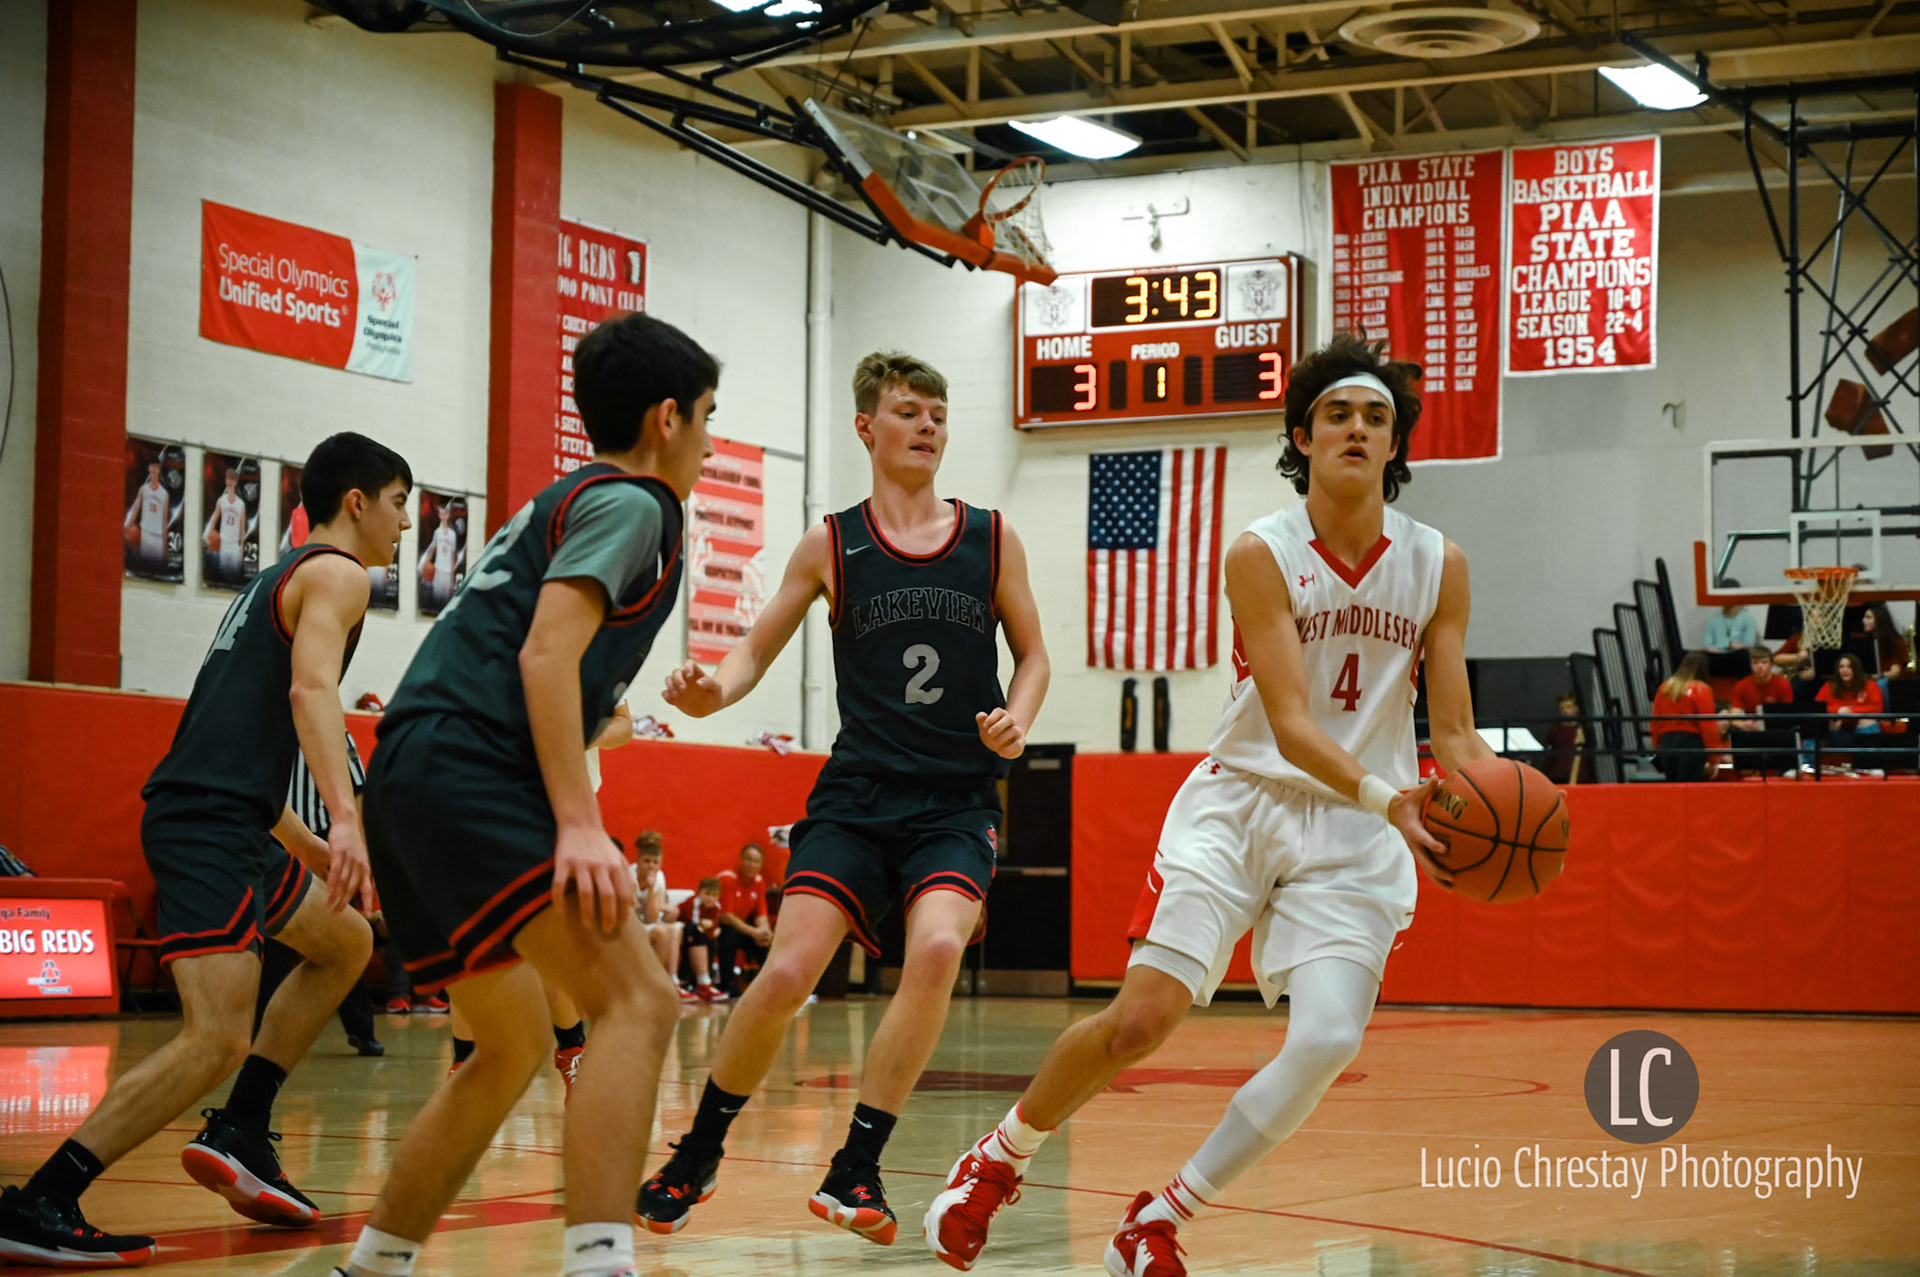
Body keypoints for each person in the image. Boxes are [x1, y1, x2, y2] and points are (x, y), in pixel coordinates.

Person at [923, 333, 1474, 1277]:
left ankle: (1159, 1217)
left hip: (1358, 831)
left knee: (1329, 1037)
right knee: (1142, 1018)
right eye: (1337, 413)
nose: (1356, 428)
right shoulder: (1262, 551)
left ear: (1396, 443)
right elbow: (1292, 725)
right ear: (1301, 435)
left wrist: (1495, 799)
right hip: (1246, 802)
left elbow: (1455, 732)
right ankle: (999, 1157)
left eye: (1376, 416)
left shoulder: (1438, 562)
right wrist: (1395, 801)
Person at [331, 312, 715, 1277]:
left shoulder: (565, 496)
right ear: (668, 417)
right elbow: (546, 653)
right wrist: (580, 824)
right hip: (471, 765)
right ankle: (600, 1264)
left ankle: (370, 1267)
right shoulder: (635, 503)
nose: (710, 442)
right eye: (707, 416)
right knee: (640, 1001)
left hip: (409, 772)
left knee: (507, 1045)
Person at [638, 350, 1049, 1246]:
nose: (928, 425)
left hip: (956, 800)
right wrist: (711, 691)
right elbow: (753, 652)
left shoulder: (991, 536)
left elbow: (1035, 656)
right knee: (787, 971)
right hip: (857, 795)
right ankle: (698, 1150)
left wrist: (1016, 720)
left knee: (936, 947)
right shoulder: (830, 542)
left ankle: (857, 1164)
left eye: (938, 413)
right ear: (867, 426)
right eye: (908, 410)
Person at [0, 433, 410, 1266]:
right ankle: (41, 1199)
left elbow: (240, 743)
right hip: (209, 824)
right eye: (401, 503)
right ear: (358, 502)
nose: (406, 524)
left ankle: (242, 1129)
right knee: (216, 1035)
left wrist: (307, 843)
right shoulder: (339, 573)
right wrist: (346, 818)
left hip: (237, 819)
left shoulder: (280, 577)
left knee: (345, 941)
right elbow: (310, 691)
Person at [1650, 651, 1722, 782]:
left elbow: (1656, 721)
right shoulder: (1701, 689)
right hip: (1691, 743)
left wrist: (1657, 748)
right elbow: (1708, 725)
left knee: (1673, 788)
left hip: (1666, 743)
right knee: (1689, 789)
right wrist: (1713, 757)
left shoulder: (1665, 687)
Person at [631, 832, 687, 997]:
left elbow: (651, 917)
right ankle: (651, 982)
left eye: (655, 862)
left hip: (646, 921)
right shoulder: (629, 875)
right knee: (661, 932)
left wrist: (651, 889)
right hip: (631, 922)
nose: (651, 866)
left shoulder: (659, 877)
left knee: (674, 930)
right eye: (646, 861)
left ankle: (671, 980)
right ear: (638, 860)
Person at [713, 843, 772, 998]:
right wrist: (754, 932)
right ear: (740, 859)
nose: (751, 864)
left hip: (740, 928)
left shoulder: (758, 882)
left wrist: (764, 931)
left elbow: (761, 914)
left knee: (764, 941)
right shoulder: (728, 879)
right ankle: (726, 983)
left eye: (756, 861)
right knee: (729, 934)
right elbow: (726, 916)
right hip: (716, 928)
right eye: (748, 859)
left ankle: (772, 983)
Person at [677, 877, 728, 1002]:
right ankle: (697, 982)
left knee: (713, 941)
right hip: (684, 929)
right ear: (698, 893)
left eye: (714, 895)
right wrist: (707, 927)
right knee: (696, 933)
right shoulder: (694, 903)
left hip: (698, 932)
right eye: (707, 894)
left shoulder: (716, 907)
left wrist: (711, 929)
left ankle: (706, 980)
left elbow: (713, 925)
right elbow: (693, 922)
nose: (710, 898)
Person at [1729, 643, 1794, 728]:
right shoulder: (1741, 686)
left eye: (1764, 662)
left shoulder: (1783, 684)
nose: (1760, 666)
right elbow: (1734, 716)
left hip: (1775, 728)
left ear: (1771, 665)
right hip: (1748, 728)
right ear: (1750, 665)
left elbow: (1787, 715)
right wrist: (1744, 725)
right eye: (1755, 663)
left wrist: (1761, 725)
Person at [205, 467, 249, 583]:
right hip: (223, 543)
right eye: (228, 479)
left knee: (234, 576)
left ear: (235, 482)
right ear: (225, 481)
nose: (230, 482)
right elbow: (214, 519)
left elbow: (242, 528)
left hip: (234, 544)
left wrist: (241, 548)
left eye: (232, 479)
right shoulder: (221, 500)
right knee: (223, 575)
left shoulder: (241, 504)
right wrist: (207, 534)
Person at [126, 458, 171, 567]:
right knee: (145, 568)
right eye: (152, 466)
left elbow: (164, 522)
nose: (154, 469)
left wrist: (165, 550)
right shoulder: (143, 490)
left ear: (159, 470)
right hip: (146, 534)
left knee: (157, 569)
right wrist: (126, 527)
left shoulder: (164, 494)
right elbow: (135, 511)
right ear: (149, 468)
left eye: (156, 466)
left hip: (158, 537)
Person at [419, 499, 462, 609]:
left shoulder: (452, 534)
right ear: (439, 515)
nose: (443, 516)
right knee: (436, 597)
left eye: (445, 514)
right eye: (441, 514)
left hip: (448, 570)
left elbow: (453, 555)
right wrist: (426, 563)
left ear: (448, 515)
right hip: (438, 568)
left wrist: (452, 574)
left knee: (445, 600)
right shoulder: (437, 532)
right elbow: (432, 550)